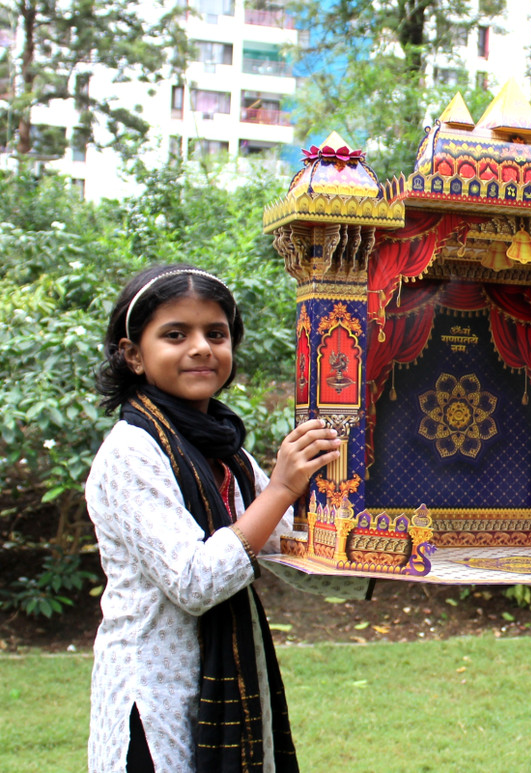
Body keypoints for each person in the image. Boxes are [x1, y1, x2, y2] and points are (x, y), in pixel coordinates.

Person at [85, 265, 340, 772]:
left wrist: (397, 547)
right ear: (133, 354)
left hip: (227, 681)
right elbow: (195, 582)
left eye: (216, 334)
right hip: (154, 698)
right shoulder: (131, 452)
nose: (201, 347)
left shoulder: (226, 451)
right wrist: (283, 488)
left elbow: (283, 548)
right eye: (175, 334)